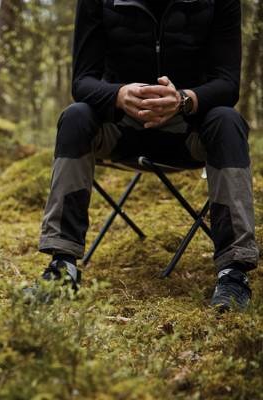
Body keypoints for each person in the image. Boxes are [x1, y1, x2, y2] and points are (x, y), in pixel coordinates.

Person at [37, 0, 258, 311]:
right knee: (75, 116)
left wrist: (184, 100)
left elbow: (227, 83)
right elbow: (82, 80)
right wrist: (118, 95)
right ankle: (63, 265)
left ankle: (233, 272)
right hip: (120, 131)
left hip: (189, 132)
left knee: (228, 120)